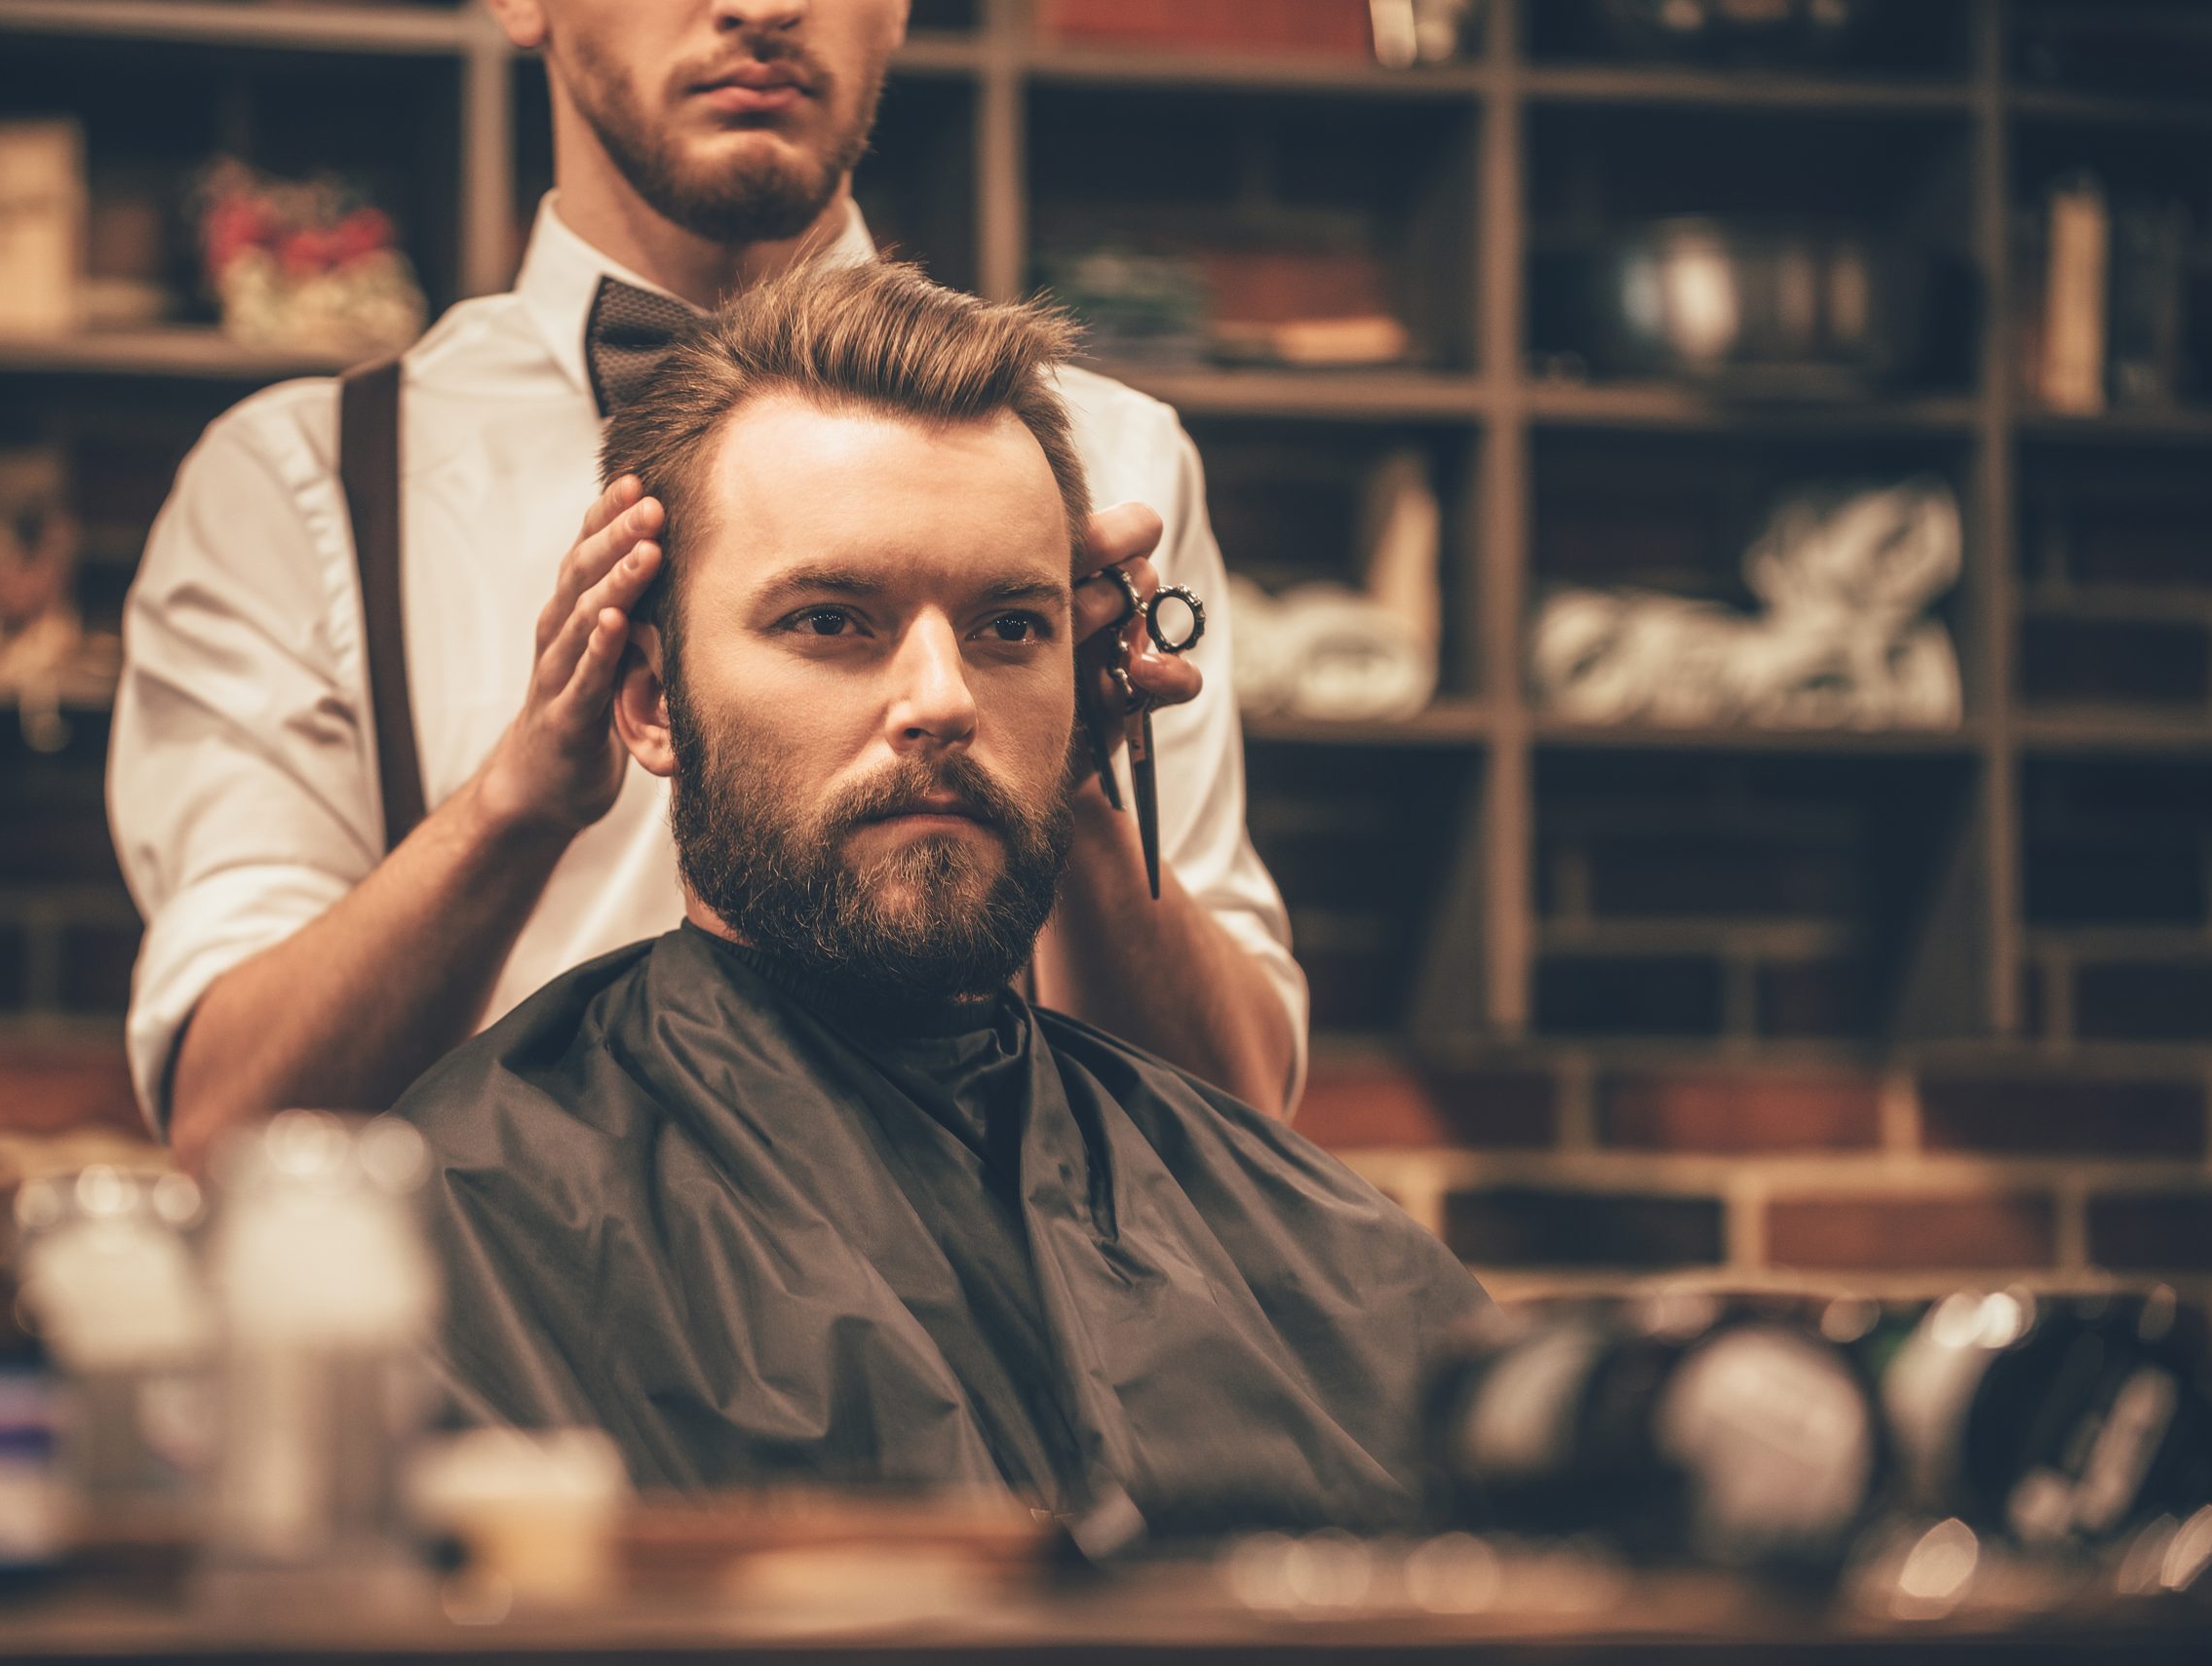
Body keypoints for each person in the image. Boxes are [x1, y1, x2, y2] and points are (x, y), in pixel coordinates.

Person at [391, 259, 1489, 1539]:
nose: (941, 697)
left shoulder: (1327, 1256)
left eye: (1010, 629)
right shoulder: (476, 1223)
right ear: (648, 703)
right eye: (830, 620)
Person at [109, 0, 1306, 1170]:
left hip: (991, 1343)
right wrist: (514, 804)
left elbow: (1241, 1138)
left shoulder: (1113, 461)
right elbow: (231, 1130)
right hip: (495, 1344)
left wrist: (1069, 784)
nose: (763, 8)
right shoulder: (304, 480)